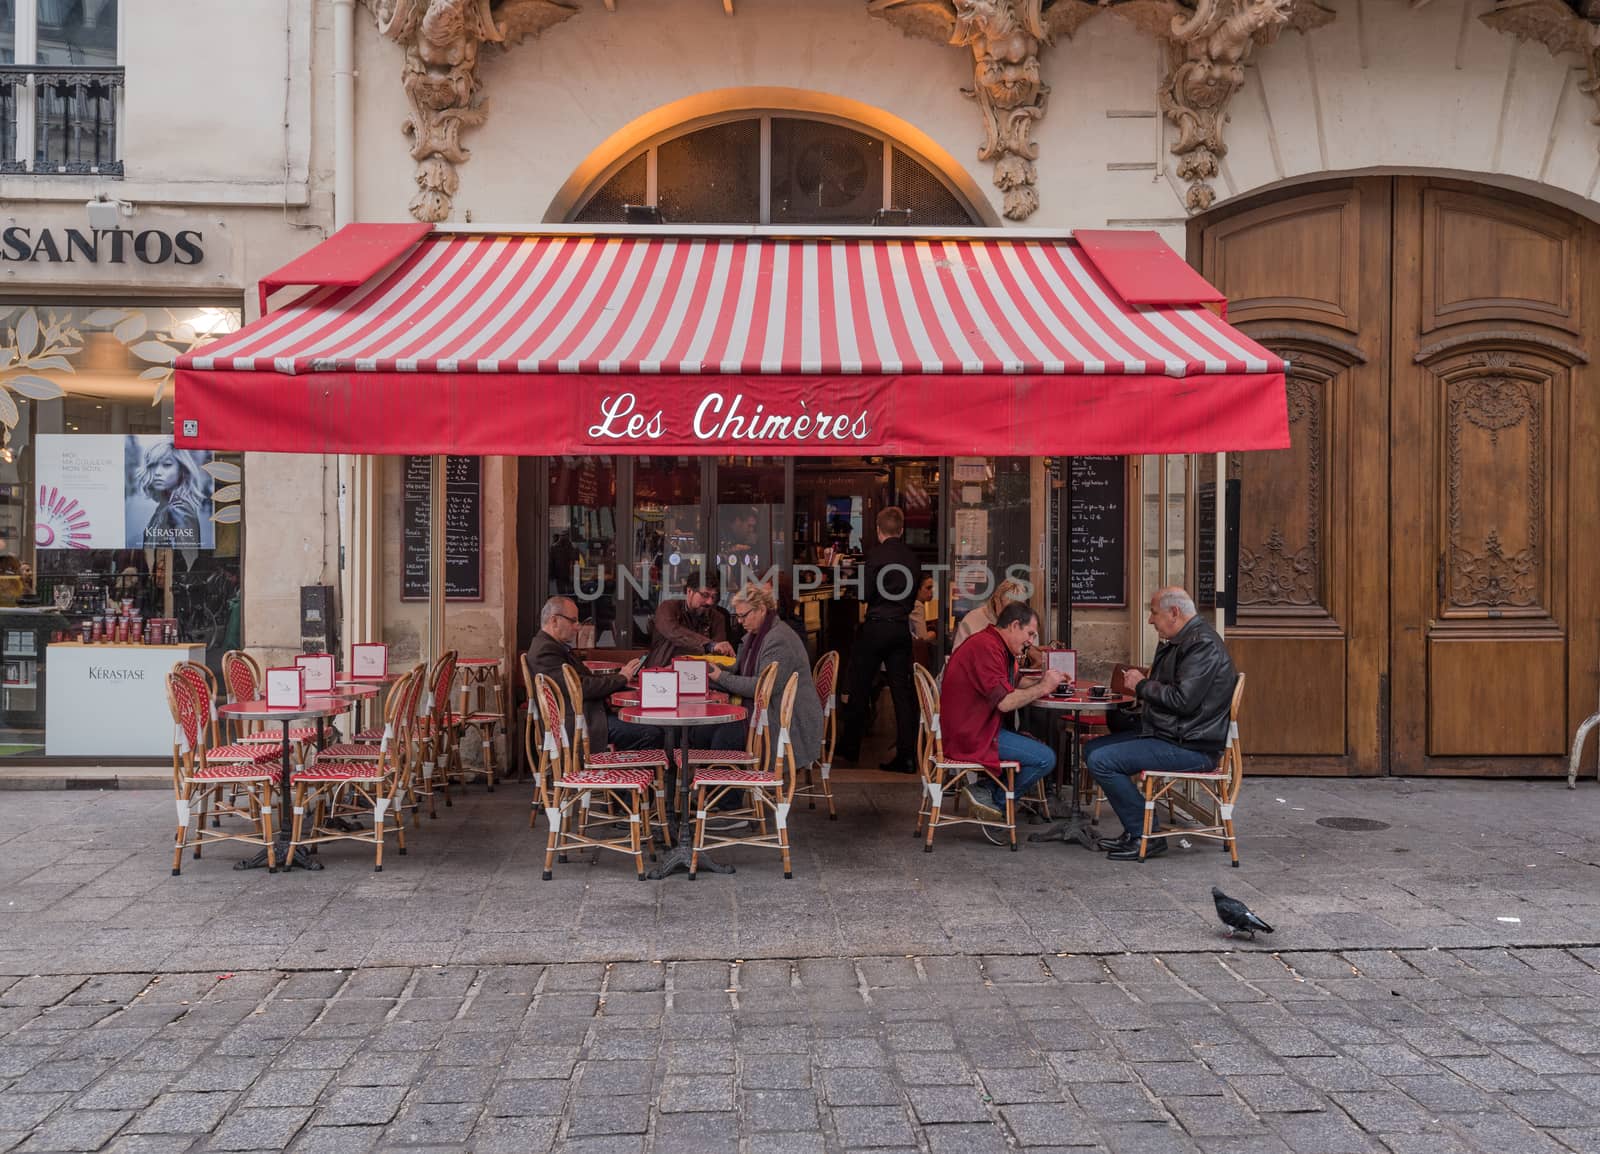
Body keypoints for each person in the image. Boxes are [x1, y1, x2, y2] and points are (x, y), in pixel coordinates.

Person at [1085, 586, 1237, 861]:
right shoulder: (1182, 641)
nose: (1150, 620)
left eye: (1154, 613)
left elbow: (1182, 700)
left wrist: (1142, 686)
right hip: (1172, 734)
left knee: (1102, 761)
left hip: (1192, 746)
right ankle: (1136, 830)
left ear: (1174, 613)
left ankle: (1145, 834)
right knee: (1092, 750)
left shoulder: (1202, 645)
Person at [937, 601, 1064, 821]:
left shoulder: (993, 644)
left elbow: (1013, 681)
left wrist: (1044, 680)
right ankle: (994, 804)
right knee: (1044, 758)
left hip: (976, 727)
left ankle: (987, 790)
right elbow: (1005, 702)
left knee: (1036, 745)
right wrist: (1044, 687)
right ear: (1015, 625)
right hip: (972, 734)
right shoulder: (986, 647)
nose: (1031, 642)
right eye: (1030, 634)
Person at [836, 507, 922, 774]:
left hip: (875, 626)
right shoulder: (912, 559)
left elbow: (865, 594)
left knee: (860, 687)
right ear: (902, 529)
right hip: (899, 628)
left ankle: (850, 748)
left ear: (878, 529)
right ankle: (907, 756)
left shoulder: (874, 557)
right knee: (902, 694)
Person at [704, 582, 823, 767]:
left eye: (743, 616)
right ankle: (710, 790)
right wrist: (709, 670)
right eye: (738, 616)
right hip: (773, 712)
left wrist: (720, 677)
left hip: (787, 723)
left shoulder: (778, 640)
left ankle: (724, 793)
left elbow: (761, 687)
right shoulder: (758, 635)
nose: (740, 621)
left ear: (760, 610)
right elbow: (740, 669)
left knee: (724, 737)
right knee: (704, 732)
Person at [527, 596, 662, 752]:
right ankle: (631, 773)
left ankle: (624, 770)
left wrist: (621, 677)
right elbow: (580, 688)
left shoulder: (552, 646)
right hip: (579, 727)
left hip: (586, 717)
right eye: (573, 621)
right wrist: (621, 678)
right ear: (554, 620)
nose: (577, 627)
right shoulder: (545, 651)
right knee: (651, 733)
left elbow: (584, 680)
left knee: (646, 727)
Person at [645, 571, 736, 668]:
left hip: (699, 674)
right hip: (662, 671)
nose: (710, 602)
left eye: (713, 597)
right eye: (705, 595)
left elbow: (718, 654)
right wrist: (709, 645)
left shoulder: (717, 618)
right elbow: (673, 631)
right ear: (689, 591)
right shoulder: (668, 607)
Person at [134, 441, 207, 549]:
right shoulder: (166, 506)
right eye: (153, 465)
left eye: (167, 465)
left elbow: (184, 560)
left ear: (182, 470)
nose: (157, 472)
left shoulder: (178, 510)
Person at [951, 577, 1027, 653]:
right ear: (996, 600)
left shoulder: (1027, 623)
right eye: (1006, 609)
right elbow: (957, 655)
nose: (1010, 616)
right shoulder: (971, 621)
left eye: (1015, 611)